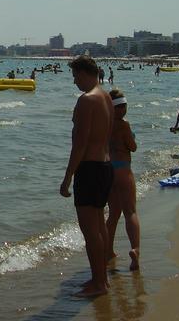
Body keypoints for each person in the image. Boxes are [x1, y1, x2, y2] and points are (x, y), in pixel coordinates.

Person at [60, 55, 114, 297]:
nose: (74, 82)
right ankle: (101, 278)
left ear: (84, 73)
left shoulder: (87, 100)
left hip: (90, 168)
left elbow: (80, 144)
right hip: (105, 166)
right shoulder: (106, 97)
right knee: (99, 225)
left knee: (90, 230)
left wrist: (67, 177)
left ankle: (99, 283)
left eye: (75, 76)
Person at [105, 89, 141, 271]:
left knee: (113, 214)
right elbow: (132, 147)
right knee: (130, 212)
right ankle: (135, 250)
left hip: (109, 170)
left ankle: (108, 250)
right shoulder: (124, 124)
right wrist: (132, 138)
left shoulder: (105, 124)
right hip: (123, 169)